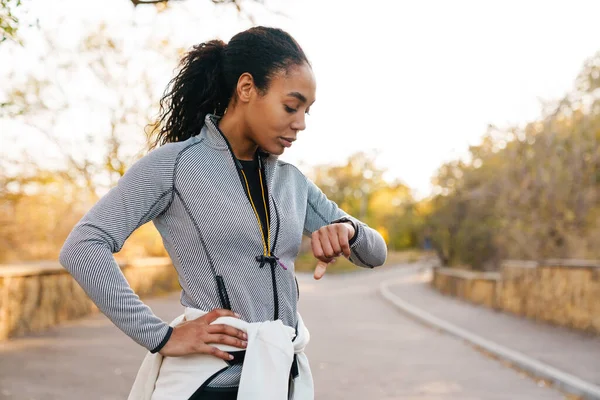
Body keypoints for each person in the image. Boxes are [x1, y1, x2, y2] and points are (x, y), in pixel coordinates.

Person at [59, 26, 387, 400]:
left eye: (307, 111)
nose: (301, 123)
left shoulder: (292, 181)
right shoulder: (174, 165)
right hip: (208, 385)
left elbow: (376, 253)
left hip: (281, 380)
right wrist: (160, 335)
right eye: (291, 106)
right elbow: (83, 246)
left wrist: (348, 230)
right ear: (247, 88)